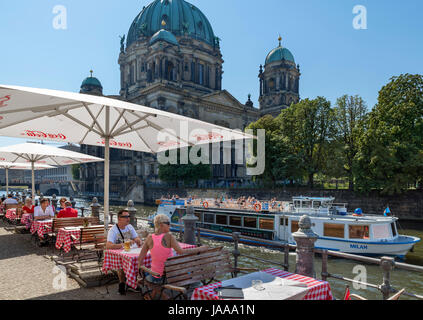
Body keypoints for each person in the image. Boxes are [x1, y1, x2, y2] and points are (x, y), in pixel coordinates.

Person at [137, 214, 208, 300]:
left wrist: (139, 274)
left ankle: (157, 294)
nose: (170, 225)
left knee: (151, 272)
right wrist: (199, 248)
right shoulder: (169, 236)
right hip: (171, 276)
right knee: (195, 281)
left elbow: (140, 258)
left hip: (155, 276)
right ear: (161, 225)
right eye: (168, 223)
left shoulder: (149, 238)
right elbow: (181, 251)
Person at [106, 210, 142, 295]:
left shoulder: (130, 227)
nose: (128, 218)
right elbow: (108, 245)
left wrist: (137, 240)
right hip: (117, 254)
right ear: (119, 218)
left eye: (129, 216)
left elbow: (136, 237)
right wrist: (122, 244)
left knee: (139, 260)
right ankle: (122, 284)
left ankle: (131, 283)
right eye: (125, 217)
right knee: (122, 264)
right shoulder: (113, 230)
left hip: (129, 252)